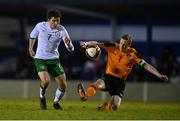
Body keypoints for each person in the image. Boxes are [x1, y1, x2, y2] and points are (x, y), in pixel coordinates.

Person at [77, 34, 168, 112]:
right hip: (108, 77)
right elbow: (97, 43)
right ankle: (85, 96)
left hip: (119, 83)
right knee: (99, 83)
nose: (121, 46)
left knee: (115, 106)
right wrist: (86, 43)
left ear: (129, 45)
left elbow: (146, 65)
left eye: (124, 45)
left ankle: (105, 107)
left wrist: (159, 75)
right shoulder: (113, 46)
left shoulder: (133, 54)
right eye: (120, 43)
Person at [29, 9, 74, 110]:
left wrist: (69, 44)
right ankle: (41, 96)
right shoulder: (40, 26)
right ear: (48, 19)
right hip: (40, 58)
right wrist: (30, 48)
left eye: (58, 20)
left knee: (63, 85)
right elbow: (32, 36)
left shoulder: (62, 30)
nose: (56, 23)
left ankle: (55, 102)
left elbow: (71, 49)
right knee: (46, 81)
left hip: (54, 60)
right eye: (54, 20)